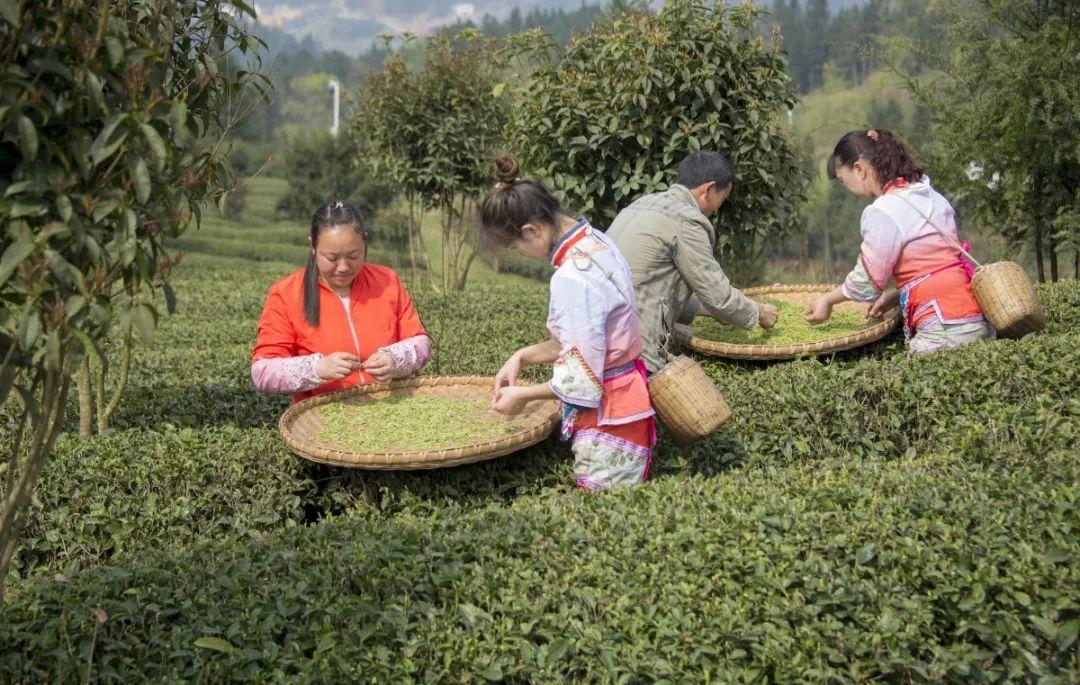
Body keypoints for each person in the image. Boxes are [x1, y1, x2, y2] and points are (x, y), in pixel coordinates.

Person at [480, 155, 655, 490]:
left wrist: (525, 395)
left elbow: (582, 379)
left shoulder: (573, 276)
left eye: (515, 246)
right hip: (629, 403)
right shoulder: (597, 240)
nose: (519, 253)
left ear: (531, 230)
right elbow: (583, 341)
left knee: (603, 523)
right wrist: (522, 356)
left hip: (611, 418)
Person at [802, 129, 992, 353]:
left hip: (943, 327)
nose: (847, 188)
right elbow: (936, 265)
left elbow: (868, 281)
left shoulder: (884, 210)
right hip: (975, 316)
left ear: (859, 169)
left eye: (844, 180)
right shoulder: (929, 194)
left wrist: (828, 300)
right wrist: (896, 295)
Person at [607, 150, 778, 374]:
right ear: (708, 190)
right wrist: (757, 313)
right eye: (721, 200)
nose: (716, 210)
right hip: (633, 347)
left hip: (599, 334)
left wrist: (705, 309)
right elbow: (719, 295)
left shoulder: (641, 205)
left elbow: (648, 282)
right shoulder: (687, 221)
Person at [251, 200, 431, 402]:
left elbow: (420, 342)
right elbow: (263, 371)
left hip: (389, 407)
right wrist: (317, 369)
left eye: (354, 255)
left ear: (365, 242)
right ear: (313, 246)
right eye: (332, 258)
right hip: (323, 416)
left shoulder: (387, 281)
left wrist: (395, 360)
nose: (344, 267)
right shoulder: (285, 294)